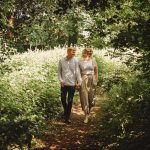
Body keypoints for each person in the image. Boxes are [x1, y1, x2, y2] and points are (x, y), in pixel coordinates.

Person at [58, 47, 82, 124]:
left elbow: (78, 72)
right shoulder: (61, 60)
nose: (74, 52)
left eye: (75, 51)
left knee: (70, 100)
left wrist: (79, 82)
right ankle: (66, 110)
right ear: (68, 51)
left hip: (72, 84)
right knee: (63, 99)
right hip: (63, 84)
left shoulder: (76, 60)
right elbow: (59, 72)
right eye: (73, 51)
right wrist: (61, 80)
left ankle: (67, 117)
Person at [79, 48, 98, 123]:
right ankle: (86, 115)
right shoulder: (80, 61)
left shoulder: (93, 60)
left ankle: (88, 111)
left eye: (88, 52)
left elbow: (96, 71)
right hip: (83, 78)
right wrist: (78, 82)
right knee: (84, 96)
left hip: (92, 79)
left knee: (91, 98)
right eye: (84, 52)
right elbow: (78, 73)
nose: (86, 53)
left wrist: (96, 80)